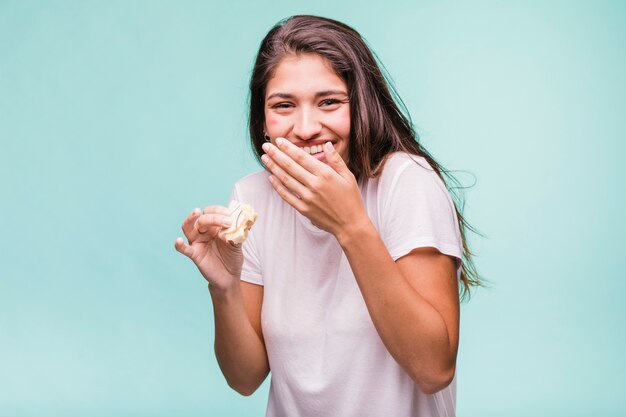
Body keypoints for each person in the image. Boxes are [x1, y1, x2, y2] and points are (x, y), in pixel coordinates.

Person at [175, 15, 480, 417]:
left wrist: (348, 225)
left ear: (363, 105)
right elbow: (245, 378)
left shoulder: (407, 184)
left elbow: (433, 369)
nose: (305, 128)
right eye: (283, 105)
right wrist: (224, 287)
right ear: (263, 122)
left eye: (329, 102)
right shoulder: (251, 197)